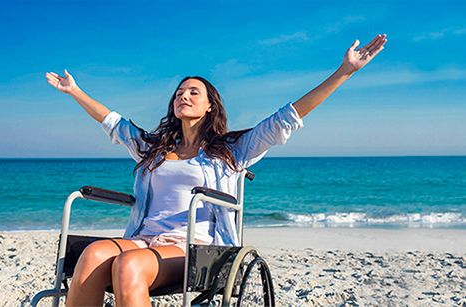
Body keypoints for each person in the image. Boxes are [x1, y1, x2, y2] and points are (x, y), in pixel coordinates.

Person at [45, 34, 387, 307]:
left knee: (128, 265)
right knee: (91, 254)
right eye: (180, 92)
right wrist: (74, 90)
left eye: (194, 92)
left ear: (211, 105)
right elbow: (113, 124)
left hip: (194, 248)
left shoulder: (231, 151)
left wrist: (343, 72)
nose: (184, 96)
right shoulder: (154, 150)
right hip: (142, 239)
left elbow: (287, 118)